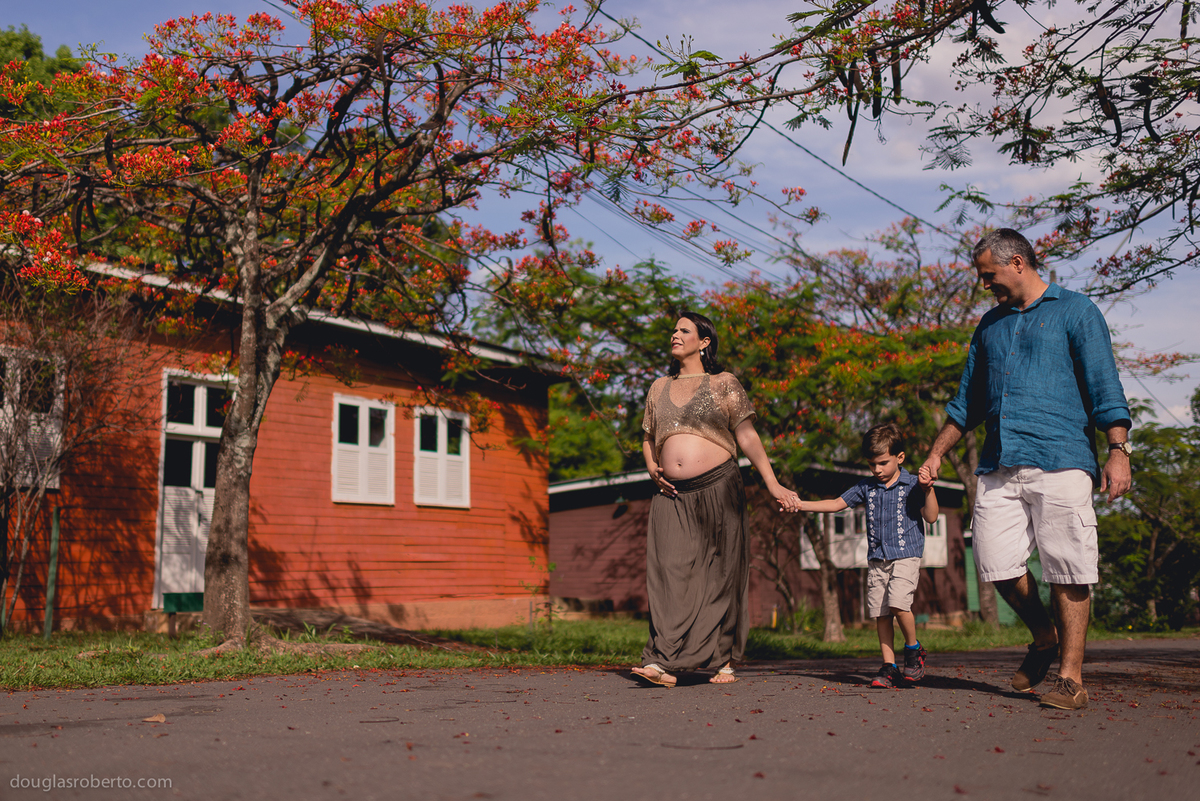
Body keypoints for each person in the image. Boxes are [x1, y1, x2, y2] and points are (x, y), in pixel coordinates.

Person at [920, 228, 1132, 711]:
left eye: (988, 275)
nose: (984, 285)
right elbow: (965, 403)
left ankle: (1070, 678)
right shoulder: (989, 325)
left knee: (1068, 566)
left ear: (1018, 263)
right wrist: (934, 453)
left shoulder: (1076, 311)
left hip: (1062, 459)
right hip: (999, 463)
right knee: (995, 563)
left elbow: (1104, 384)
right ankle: (1043, 637)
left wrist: (1118, 449)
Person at [631, 311, 799, 688]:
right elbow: (646, 435)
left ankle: (715, 657)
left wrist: (772, 483)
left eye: (684, 330)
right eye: (674, 329)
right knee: (667, 575)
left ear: (704, 342)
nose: (675, 334)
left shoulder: (725, 383)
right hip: (670, 494)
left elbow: (748, 436)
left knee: (719, 574)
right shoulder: (658, 387)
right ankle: (662, 658)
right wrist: (651, 466)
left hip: (719, 487)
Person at [798, 423, 939, 688]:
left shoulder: (912, 484)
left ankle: (913, 649)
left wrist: (928, 489)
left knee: (898, 603)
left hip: (906, 555)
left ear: (900, 457)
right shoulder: (867, 487)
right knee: (881, 612)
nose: (877, 470)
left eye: (883, 463)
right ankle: (889, 667)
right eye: (872, 464)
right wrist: (800, 504)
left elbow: (931, 517)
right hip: (877, 559)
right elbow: (837, 504)